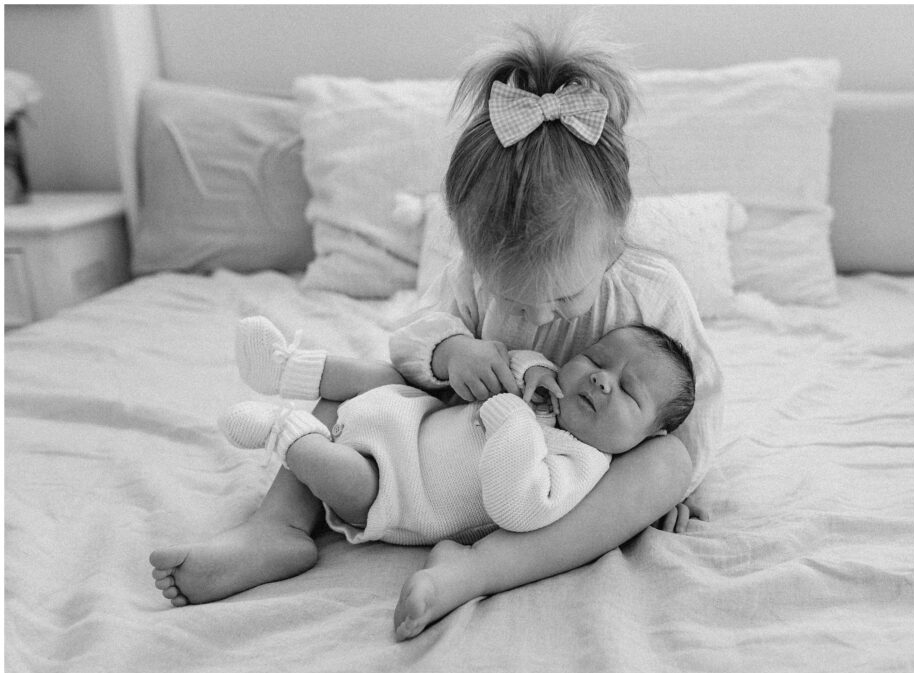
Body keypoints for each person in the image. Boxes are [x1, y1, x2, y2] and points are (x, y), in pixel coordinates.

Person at [150, 24, 724, 641]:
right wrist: (452, 351)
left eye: (562, 298)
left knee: (665, 463)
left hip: (565, 475)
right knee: (356, 393)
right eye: (513, 297)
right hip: (456, 438)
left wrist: (682, 485)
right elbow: (410, 343)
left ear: (615, 237)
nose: (535, 318)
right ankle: (278, 526)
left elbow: (695, 406)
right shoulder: (470, 277)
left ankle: (479, 570)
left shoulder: (653, 290)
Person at [216, 319, 695, 550]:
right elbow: (518, 359)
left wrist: (513, 418)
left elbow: (520, 505)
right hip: (410, 418)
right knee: (378, 376)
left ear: (650, 437)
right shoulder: (550, 385)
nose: (600, 379)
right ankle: (284, 369)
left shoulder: (582, 466)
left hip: (400, 492)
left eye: (629, 391)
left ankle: (284, 433)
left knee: (349, 479)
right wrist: (527, 368)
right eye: (595, 358)